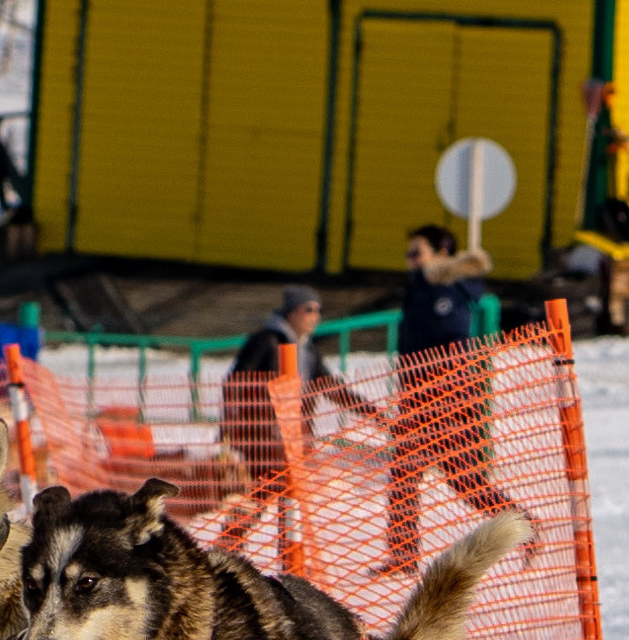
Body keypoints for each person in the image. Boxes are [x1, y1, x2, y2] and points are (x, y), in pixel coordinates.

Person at [385, 227, 523, 572]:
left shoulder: (445, 289)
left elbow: (451, 341)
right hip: (416, 396)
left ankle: (523, 526)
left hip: (445, 397)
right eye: (409, 254)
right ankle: (403, 556)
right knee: (405, 474)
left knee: (464, 481)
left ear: (441, 255)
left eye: (417, 253)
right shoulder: (420, 289)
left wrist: (438, 396)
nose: (410, 260)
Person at [215, 287, 379, 547]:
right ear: (291, 312)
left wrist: (374, 413)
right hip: (261, 440)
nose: (316, 316)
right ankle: (233, 547)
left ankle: (275, 554)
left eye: (318, 310)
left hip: (291, 441)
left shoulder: (307, 349)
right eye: (309, 309)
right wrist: (230, 430)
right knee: (263, 493)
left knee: (279, 497)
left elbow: (331, 387)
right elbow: (235, 383)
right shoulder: (266, 341)